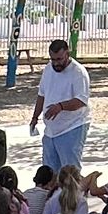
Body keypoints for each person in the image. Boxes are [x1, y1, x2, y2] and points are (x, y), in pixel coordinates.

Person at [28, 37, 91, 172]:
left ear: (67, 54)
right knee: (49, 173)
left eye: (59, 59)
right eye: (53, 60)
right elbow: (42, 95)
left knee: (69, 173)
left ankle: (73, 193)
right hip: (50, 131)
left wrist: (60, 106)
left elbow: (81, 101)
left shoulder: (78, 72)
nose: (56, 63)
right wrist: (35, 117)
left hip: (72, 127)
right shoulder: (48, 69)